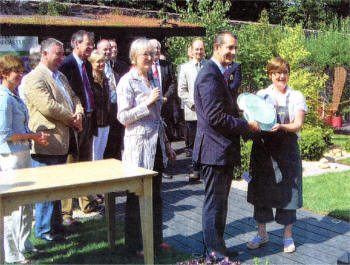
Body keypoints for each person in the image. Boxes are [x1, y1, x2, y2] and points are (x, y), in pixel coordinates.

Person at [193, 31, 260, 262]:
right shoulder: (209, 75)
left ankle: (218, 249)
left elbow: (224, 110)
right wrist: (246, 125)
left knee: (220, 204)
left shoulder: (219, 73)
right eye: (229, 47)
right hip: (213, 151)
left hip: (222, 150)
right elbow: (215, 117)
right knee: (214, 205)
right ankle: (214, 254)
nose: (232, 52)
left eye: (235, 48)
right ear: (217, 47)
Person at [117, 38, 176, 257]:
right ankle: (135, 245)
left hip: (156, 145)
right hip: (139, 147)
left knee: (156, 195)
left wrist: (168, 144)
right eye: (146, 55)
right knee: (137, 197)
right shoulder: (127, 81)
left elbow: (158, 118)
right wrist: (146, 103)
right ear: (134, 57)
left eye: (152, 54)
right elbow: (122, 116)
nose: (151, 58)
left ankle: (156, 240)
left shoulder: (152, 79)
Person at [24, 38, 84, 242]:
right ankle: (43, 231)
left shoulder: (61, 76)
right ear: (44, 54)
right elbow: (48, 106)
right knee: (46, 191)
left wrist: (79, 113)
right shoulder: (34, 78)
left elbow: (75, 98)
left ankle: (56, 228)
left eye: (62, 53)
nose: (61, 57)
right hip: (46, 143)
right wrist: (72, 118)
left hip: (63, 141)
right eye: (57, 54)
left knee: (58, 189)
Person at [246, 57, 307, 253]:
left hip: (287, 150)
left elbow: (298, 124)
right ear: (270, 75)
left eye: (285, 72)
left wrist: (281, 126)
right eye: (277, 72)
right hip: (263, 151)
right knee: (260, 193)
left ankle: (287, 237)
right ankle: (262, 234)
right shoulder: (261, 95)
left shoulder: (296, 96)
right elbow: (251, 118)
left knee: (290, 193)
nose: (282, 76)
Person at [0, 54, 48, 264]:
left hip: (22, 153)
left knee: (27, 203)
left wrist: (35, 135)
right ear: (3, 74)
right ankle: (12, 254)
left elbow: (20, 128)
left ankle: (24, 243)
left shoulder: (14, 95)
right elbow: (5, 134)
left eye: (21, 71)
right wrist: (32, 136)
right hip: (11, 157)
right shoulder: (3, 99)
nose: (20, 75)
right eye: (15, 72)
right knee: (13, 210)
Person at [59, 30, 100, 222]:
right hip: (74, 122)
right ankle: (66, 211)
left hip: (89, 119)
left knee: (85, 164)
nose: (91, 47)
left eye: (92, 44)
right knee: (70, 165)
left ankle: (86, 202)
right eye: (88, 44)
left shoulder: (86, 64)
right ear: (76, 44)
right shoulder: (66, 66)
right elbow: (65, 96)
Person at [178, 38, 206, 182]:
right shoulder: (185, 67)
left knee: (207, 141)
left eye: (201, 49)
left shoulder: (210, 66)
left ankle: (206, 169)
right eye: (196, 49)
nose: (199, 52)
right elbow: (181, 91)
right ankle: (195, 169)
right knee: (195, 142)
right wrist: (192, 104)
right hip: (193, 111)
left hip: (208, 112)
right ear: (192, 51)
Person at [97, 39, 124, 161]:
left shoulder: (114, 66)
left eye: (109, 49)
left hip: (116, 110)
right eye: (105, 50)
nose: (108, 52)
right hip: (103, 113)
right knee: (103, 149)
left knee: (116, 145)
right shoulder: (95, 67)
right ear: (98, 50)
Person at [147, 39, 179, 143]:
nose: (157, 50)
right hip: (151, 105)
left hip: (165, 103)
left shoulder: (167, 65)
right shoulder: (145, 66)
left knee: (167, 134)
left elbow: (173, 83)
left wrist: (166, 97)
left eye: (158, 48)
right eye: (154, 48)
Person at [88, 50, 111, 161]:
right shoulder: (90, 81)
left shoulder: (105, 79)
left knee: (101, 155)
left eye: (103, 61)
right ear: (91, 63)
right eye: (98, 62)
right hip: (95, 125)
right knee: (94, 156)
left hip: (105, 123)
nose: (101, 64)